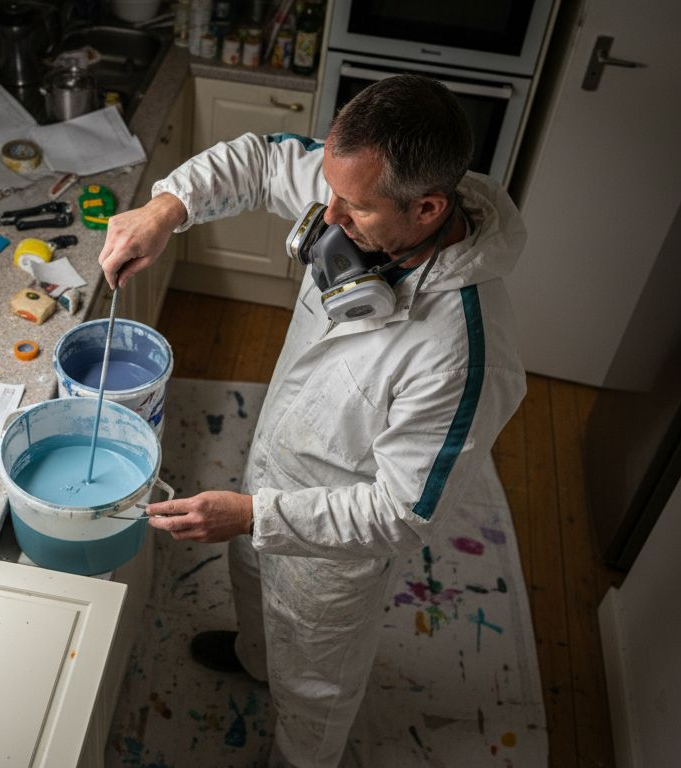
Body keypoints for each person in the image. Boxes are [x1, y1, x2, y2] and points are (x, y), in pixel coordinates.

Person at [97, 74, 528, 767]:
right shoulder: (355, 192)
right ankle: (253, 659)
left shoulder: (463, 350)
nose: (328, 219)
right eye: (329, 193)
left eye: (353, 208)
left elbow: (403, 514)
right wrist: (167, 208)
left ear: (427, 209)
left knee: (314, 683)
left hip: (335, 547)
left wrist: (255, 515)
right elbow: (264, 159)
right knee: (250, 580)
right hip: (274, 464)